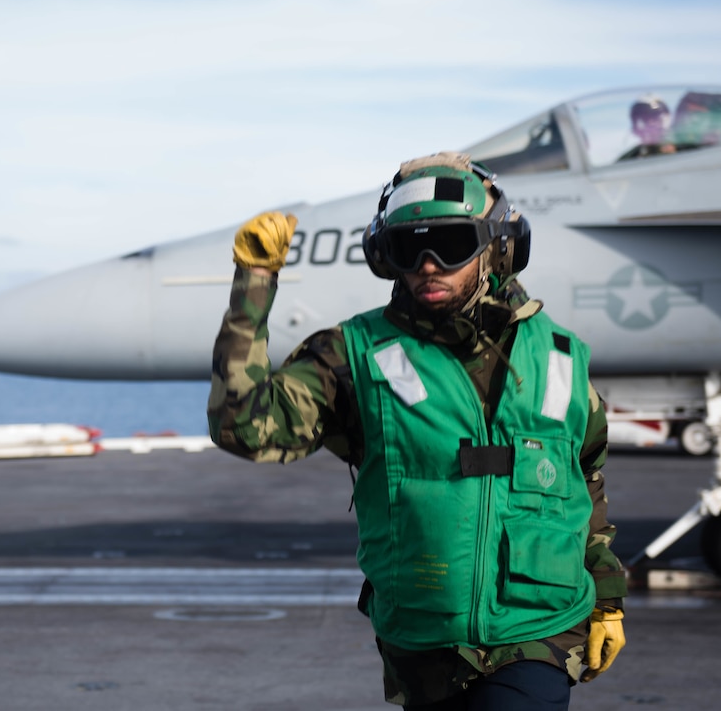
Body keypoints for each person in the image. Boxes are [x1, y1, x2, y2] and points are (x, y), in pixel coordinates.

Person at [207, 152, 627, 710]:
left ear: (495, 248)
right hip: (422, 642)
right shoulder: (353, 356)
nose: (428, 265)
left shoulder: (559, 358)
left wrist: (607, 598)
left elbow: (584, 478)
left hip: (541, 631)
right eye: (410, 249)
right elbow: (244, 428)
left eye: (450, 246)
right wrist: (254, 284)